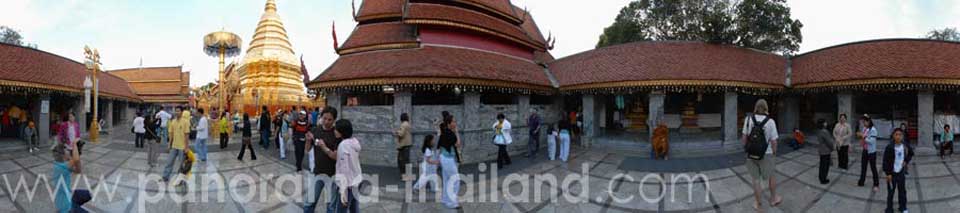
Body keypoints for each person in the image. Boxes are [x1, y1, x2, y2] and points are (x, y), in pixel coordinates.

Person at [741, 99, 782, 210]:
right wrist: (774, 153)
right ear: (766, 108)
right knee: (771, 176)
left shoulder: (748, 119)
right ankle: (773, 199)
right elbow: (774, 141)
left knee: (756, 180)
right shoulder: (771, 122)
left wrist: (747, 149)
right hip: (767, 154)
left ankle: (758, 205)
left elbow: (744, 138)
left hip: (751, 154)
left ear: (755, 108)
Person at [304, 106, 341, 212]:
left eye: (330, 119)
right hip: (318, 172)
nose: (326, 122)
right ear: (321, 117)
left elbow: (336, 156)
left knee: (330, 206)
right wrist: (307, 140)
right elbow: (307, 149)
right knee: (309, 203)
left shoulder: (336, 134)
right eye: (324, 118)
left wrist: (323, 147)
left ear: (334, 120)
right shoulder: (315, 130)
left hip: (333, 175)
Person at [323, 119, 361, 213]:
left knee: (341, 210)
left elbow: (345, 169)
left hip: (348, 185)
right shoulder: (354, 142)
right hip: (356, 181)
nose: (334, 131)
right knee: (354, 209)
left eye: (336, 129)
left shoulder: (343, 145)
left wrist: (343, 191)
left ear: (342, 132)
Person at [882, 128, 913, 213]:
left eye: (900, 134)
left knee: (902, 191)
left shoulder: (905, 145)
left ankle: (903, 207)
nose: (898, 136)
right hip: (891, 174)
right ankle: (889, 209)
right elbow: (885, 161)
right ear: (893, 136)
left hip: (901, 173)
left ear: (902, 136)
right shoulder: (889, 147)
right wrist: (888, 173)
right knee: (891, 192)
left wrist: (906, 161)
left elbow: (911, 153)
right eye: (896, 134)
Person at [437, 114, 462, 209]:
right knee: (455, 180)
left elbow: (439, 145)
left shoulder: (444, 132)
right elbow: (458, 144)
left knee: (447, 180)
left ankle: (445, 200)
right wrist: (457, 132)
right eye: (453, 122)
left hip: (444, 157)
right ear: (449, 123)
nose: (455, 123)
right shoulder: (450, 133)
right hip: (448, 159)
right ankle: (452, 203)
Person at [52, 139, 81, 213]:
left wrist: (78, 153)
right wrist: (74, 144)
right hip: (65, 204)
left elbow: (78, 171)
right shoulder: (62, 166)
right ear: (63, 155)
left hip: (62, 198)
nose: (70, 151)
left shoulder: (58, 164)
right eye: (68, 150)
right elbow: (76, 159)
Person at [163, 107, 191, 183]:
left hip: (182, 147)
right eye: (176, 111)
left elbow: (187, 135)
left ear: (182, 112)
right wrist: (169, 145)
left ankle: (180, 179)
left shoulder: (185, 122)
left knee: (181, 164)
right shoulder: (173, 122)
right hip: (174, 146)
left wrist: (186, 147)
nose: (176, 112)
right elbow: (171, 134)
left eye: (178, 111)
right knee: (169, 162)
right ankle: (165, 176)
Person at [857, 115, 880, 192]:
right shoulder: (864, 128)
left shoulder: (873, 130)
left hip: (871, 152)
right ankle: (861, 181)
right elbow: (863, 138)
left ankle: (876, 184)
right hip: (865, 150)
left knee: (873, 168)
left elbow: (871, 141)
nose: (864, 123)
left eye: (865, 122)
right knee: (863, 167)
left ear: (869, 121)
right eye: (863, 122)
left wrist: (863, 136)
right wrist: (860, 137)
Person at [395, 113, 413, 181]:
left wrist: (396, 132)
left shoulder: (403, 124)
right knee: (406, 161)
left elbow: (401, 134)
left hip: (403, 145)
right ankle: (408, 175)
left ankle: (405, 176)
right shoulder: (407, 124)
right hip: (407, 145)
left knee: (401, 161)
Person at [816, 119, 834, 184]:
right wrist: (832, 148)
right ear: (823, 124)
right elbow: (829, 142)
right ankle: (823, 179)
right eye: (825, 122)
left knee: (822, 165)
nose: (826, 123)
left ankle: (821, 177)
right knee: (825, 166)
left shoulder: (818, 131)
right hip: (826, 151)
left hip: (821, 150)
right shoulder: (825, 131)